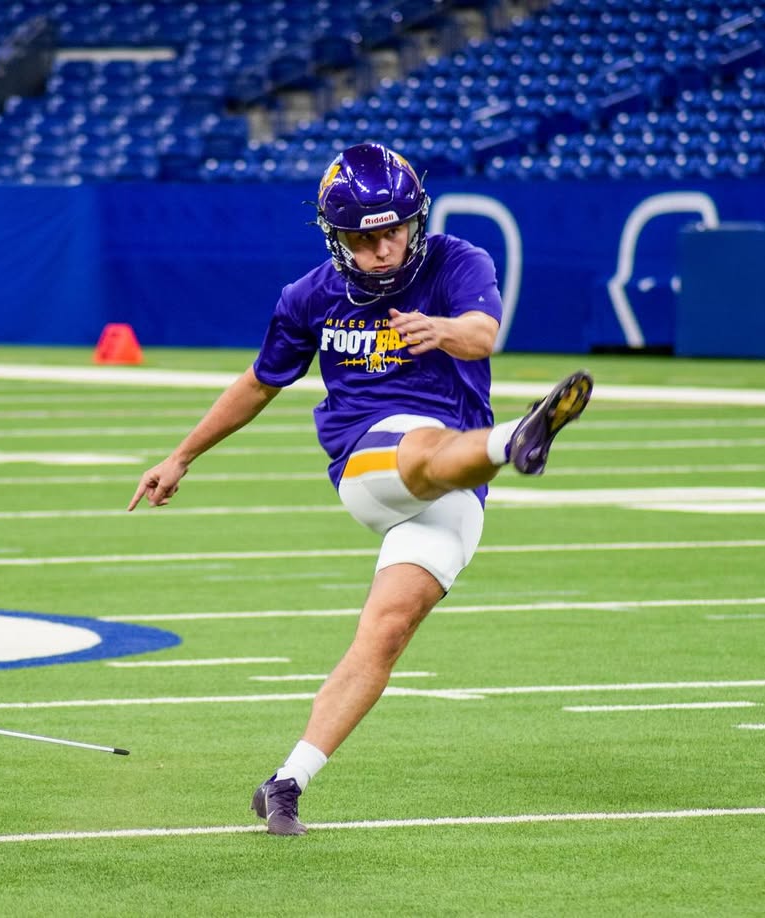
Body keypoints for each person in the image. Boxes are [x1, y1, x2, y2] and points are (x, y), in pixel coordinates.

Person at [128, 142, 592, 835]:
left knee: (386, 632)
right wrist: (183, 454)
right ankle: (512, 440)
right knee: (420, 449)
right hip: (368, 463)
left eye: (394, 230)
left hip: (454, 482)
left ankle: (287, 780)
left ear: (418, 219)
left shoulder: (458, 261)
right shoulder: (310, 296)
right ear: (335, 238)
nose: (382, 248)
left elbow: (483, 333)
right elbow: (261, 382)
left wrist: (443, 330)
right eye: (363, 237)